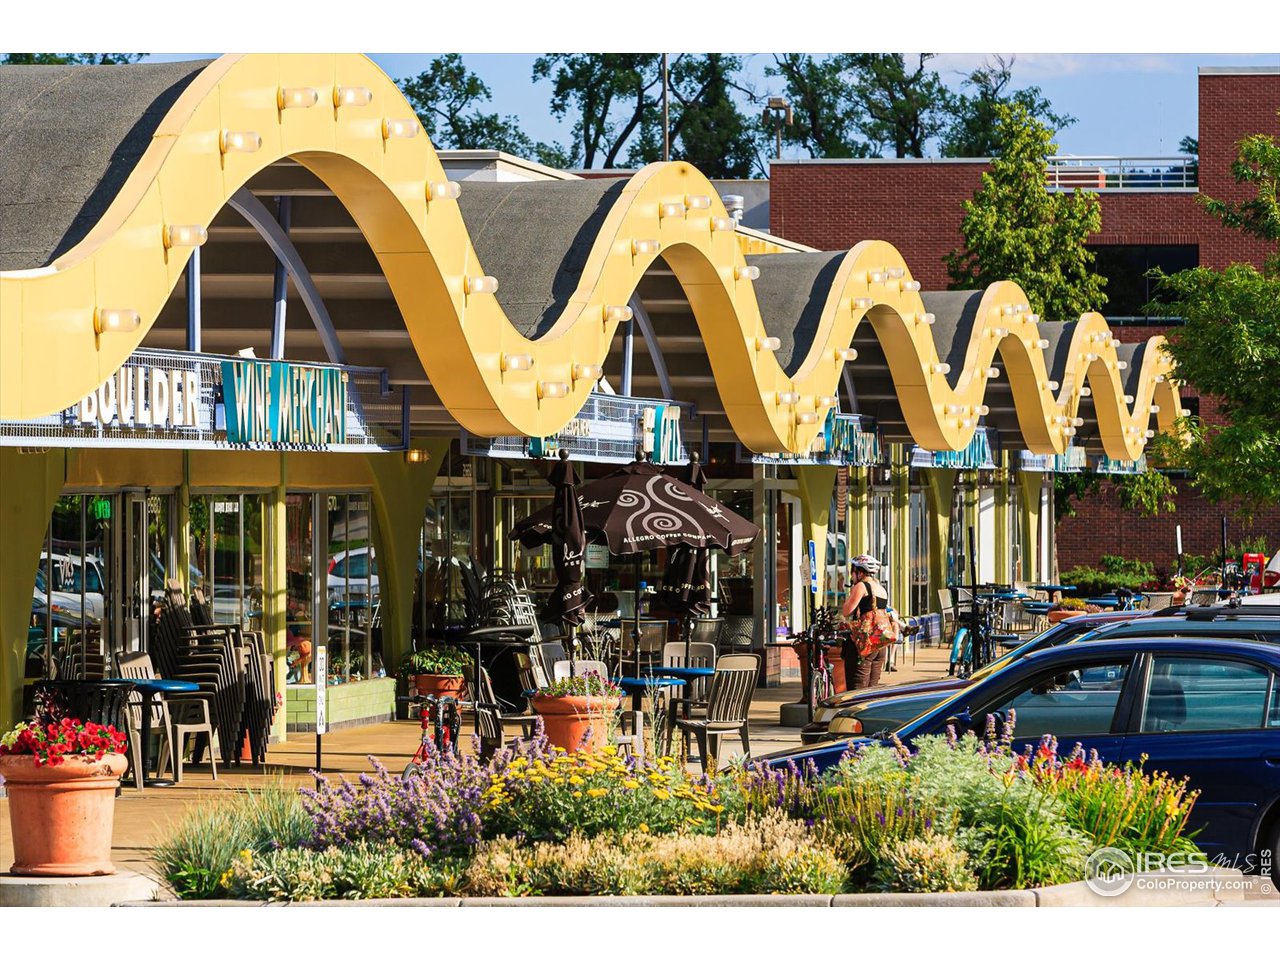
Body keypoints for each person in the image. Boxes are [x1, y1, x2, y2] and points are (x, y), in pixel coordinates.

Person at [839, 554, 891, 689]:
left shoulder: (861, 586)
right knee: (871, 690)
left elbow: (846, 611)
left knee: (857, 690)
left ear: (860, 572)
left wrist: (851, 593)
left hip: (864, 644)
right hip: (879, 644)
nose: (851, 577)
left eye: (852, 572)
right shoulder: (881, 589)